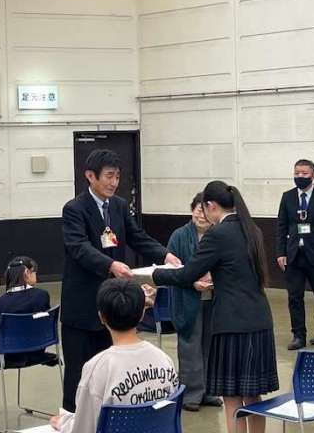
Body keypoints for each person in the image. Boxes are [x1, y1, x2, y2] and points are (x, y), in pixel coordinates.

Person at [153, 180, 278, 433]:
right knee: (253, 397)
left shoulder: (218, 234)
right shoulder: (252, 229)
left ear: (211, 206)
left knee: (232, 397)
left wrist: (154, 275)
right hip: (260, 320)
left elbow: (187, 274)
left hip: (232, 324)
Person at [61, 149, 180, 412]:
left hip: (112, 306)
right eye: (108, 176)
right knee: (78, 376)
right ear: (90, 176)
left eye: (117, 176)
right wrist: (111, 265)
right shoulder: (74, 209)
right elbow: (78, 247)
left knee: (109, 373)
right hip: (82, 307)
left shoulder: (119, 206)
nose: (114, 182)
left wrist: (165, 254)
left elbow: (137, 236)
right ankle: (72, 421)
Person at [50, 279, 179, 433]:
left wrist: (64, 423)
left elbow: (84, 428)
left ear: (101, 317)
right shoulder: (164, 360)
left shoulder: (96, 368)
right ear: (142, 314)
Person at [167, 192, 222, 412]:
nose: (201, 216)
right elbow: (172, 271)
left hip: (213, 298)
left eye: (205, 211)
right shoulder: (179, 236)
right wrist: (192, 283)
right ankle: (190, 394)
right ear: (192, 210)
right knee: (190, 347)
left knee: (210, 345)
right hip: (187, 299)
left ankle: (209, 391)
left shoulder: (218, 235)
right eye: (198, 210)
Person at [276, 159, 314, 350]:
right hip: (294, 254)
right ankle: (298, 334)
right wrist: (281, 252)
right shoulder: (287, 197)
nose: (300, 176)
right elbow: (281, 226)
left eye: (304, 173)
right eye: (297, 173)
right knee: (294, 296)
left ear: (313, 175)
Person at [0, 256, 55, 397]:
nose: (36, 275)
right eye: (35, 271)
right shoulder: (42, 295)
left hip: (9, 356)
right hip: (36, 350)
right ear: (27, 272)